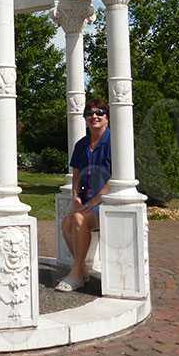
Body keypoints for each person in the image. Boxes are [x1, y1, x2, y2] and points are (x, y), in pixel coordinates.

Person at [56, 99, 112, 291]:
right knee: (66, 223)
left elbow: (115, 179)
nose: (94, 116)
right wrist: (75, 196)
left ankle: (77, 273)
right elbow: (77, 173)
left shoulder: (114, 142)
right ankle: (81, 270)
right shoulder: (82, 144)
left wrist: (95, 201)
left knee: (78, 219)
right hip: (87, 202)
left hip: (107, 203)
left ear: (108, 117)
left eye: (100, 112)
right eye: (89, 113)